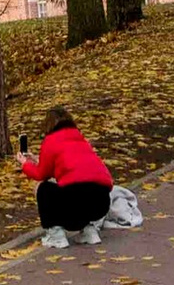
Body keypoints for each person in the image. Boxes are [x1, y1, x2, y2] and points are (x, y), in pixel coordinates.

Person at [21, 108, 114, 252]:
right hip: (101, 201)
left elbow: (41, 174)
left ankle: (55, 234)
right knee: (81, 192)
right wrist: (37, 160)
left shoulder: (50, 140)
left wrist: (25, 164)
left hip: (73, 202)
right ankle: (89, 230)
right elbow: (70, 167)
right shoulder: (79, 138)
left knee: (42, 188)